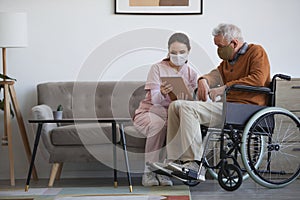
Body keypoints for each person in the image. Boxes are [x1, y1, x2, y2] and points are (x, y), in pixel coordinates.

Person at [155, 23, 271, 181]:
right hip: (228, 109)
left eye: (220, 46)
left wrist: (224, 88)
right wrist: (203, 80)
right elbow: (214, 75)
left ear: (234, 43)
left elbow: (258, 79)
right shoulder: (228, 62)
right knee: (176, 105)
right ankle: (176, 160)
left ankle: (194, 164)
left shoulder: (256, 52)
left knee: (188, 108)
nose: (218, 50)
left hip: (246, 109)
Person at [133, 32, 199, 186]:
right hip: (150, 113)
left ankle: (164, 171)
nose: (177, 56)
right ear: (168, 52)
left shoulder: (191, 73)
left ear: (189, 51)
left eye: (182, 52)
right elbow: (155, 101)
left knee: (176, 125)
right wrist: (163, 93)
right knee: (159, 125)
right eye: (173, 52)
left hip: (173, 116)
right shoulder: (157, 68)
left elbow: (196, 101)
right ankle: (149, 172)